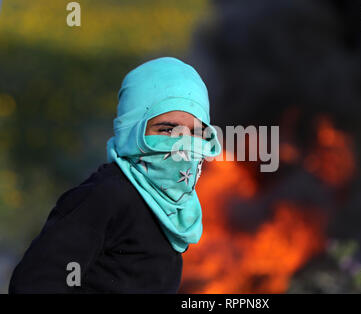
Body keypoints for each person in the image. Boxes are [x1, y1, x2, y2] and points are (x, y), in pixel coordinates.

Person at [8, 57, 221, 293]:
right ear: (132, 131)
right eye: (167, 130)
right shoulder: (106, 196)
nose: (183, 146)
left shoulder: (174, 211)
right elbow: (35, 283)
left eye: (196, 134)